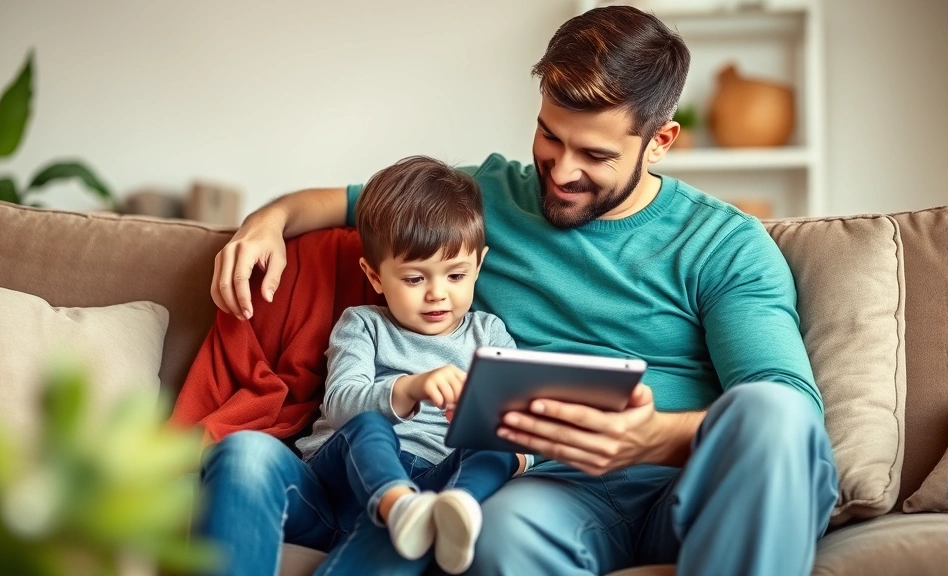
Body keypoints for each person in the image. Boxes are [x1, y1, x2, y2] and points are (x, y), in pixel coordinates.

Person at [201, 5, 839, 576]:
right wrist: (268, 223)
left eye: (594, 154)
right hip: (559, 492)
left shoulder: (724, 243)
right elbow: (349, 203)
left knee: (770, 412)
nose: (561, 172)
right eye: (549, 136)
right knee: (496, 535)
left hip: (692, 483)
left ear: (660, 141)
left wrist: (656, 437)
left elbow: (790, 411)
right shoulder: (489, 198)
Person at [291, 156, 529, 574]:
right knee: (368, 425)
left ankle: (458, 508)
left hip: (435, 483)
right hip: (350, 476)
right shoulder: (364, 324)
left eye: (455, 276)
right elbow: (341, 405)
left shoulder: (488, 334)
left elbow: (517, 419)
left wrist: (503, 435)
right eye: (415, 279)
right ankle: (401, 507)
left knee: (503, 443)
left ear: (479, 265)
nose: (437, 294)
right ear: (376, 275)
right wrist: (410, 388)